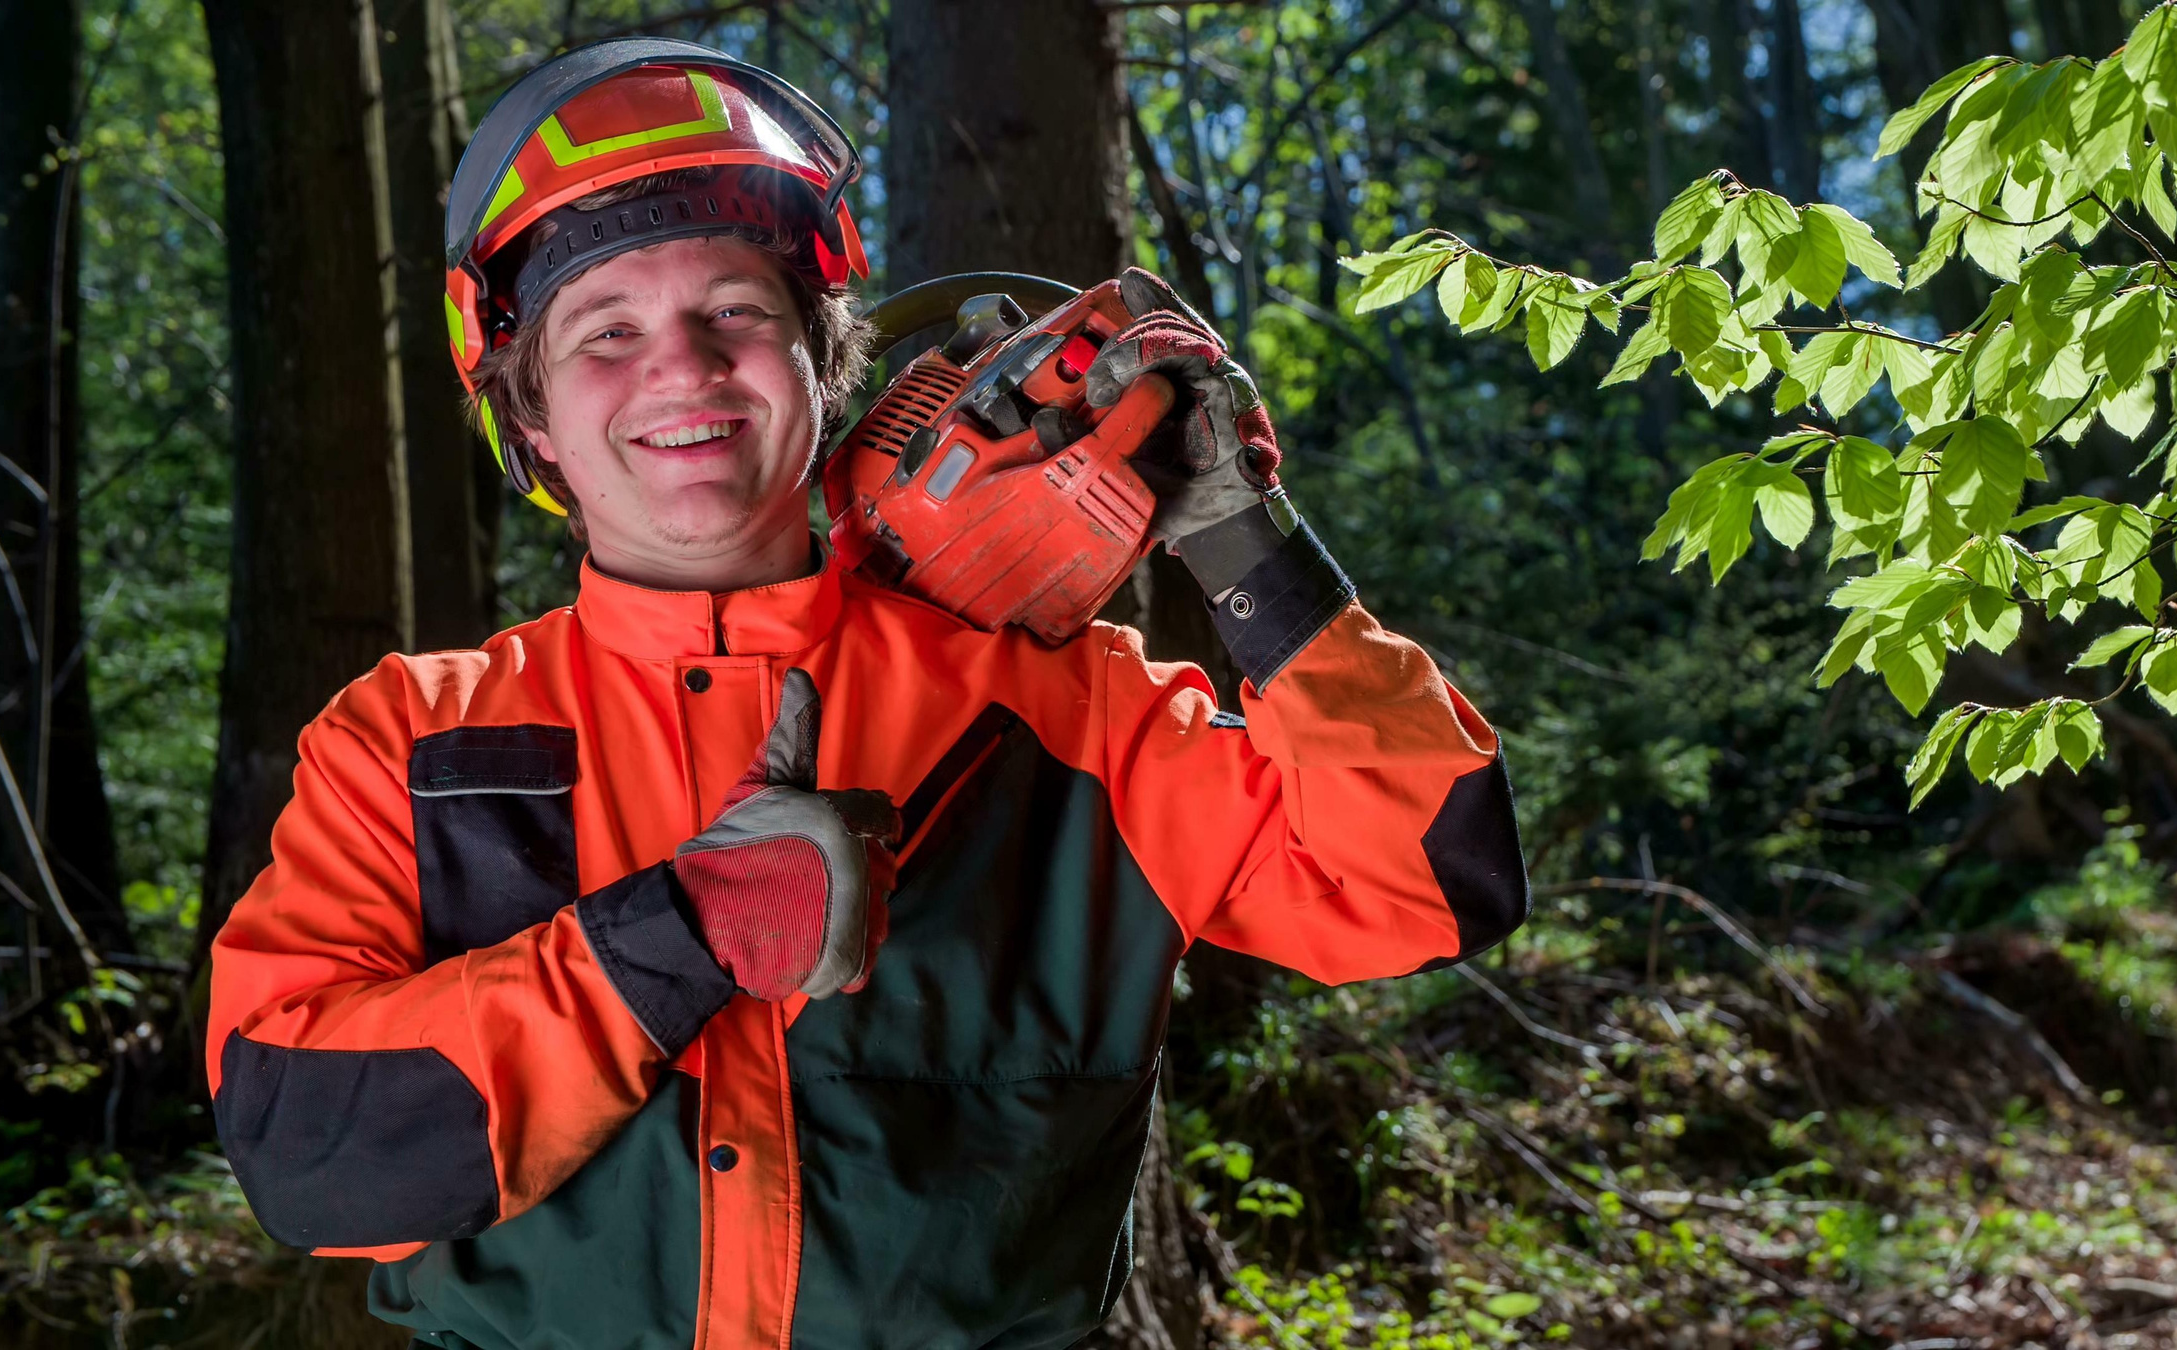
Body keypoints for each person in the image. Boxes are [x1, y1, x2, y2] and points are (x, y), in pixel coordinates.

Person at [204, 38, 1526, 1350]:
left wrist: (1247, 544)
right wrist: (676, 938)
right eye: (607, 332)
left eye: (735, 311)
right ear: (531, 414)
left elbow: (1431, 879)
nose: (683, 367)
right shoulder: (413, 743)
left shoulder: (1071, 713)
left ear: (821, 360)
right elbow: (310, 1150)